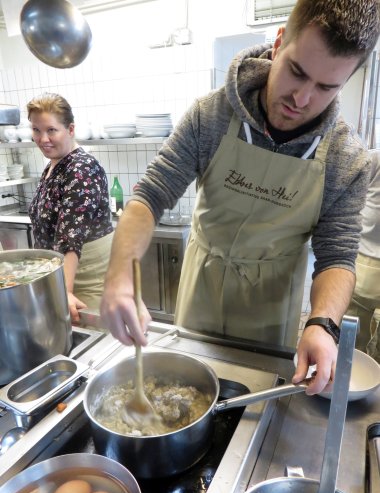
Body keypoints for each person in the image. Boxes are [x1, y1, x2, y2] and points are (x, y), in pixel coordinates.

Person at [100, 0, 380, 395]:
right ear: (279, 43)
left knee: (251, 405)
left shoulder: (346, 159)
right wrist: (119, 277)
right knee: (180, 391)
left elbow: (337, 255)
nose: (301, 99)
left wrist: (323, 323)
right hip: (200, 292)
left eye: (326, 87)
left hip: (269, 312)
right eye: (296, 72)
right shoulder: (211, 116)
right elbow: (150, 195)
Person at [27, 93, 114, 323]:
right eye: (36, 130)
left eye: (51, 130)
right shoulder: (52, 165)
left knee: (92, 346)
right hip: (59, 278)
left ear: (71, 129)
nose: (42, 138)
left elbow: (70, 238)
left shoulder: (81, 169)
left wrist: (64, 292)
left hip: (83, 282)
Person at [346, 150, 380, 362]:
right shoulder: (374, 159)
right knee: (352, 334)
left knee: (352, 338)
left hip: (364, 262)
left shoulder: (374, 158)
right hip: (364, 262)